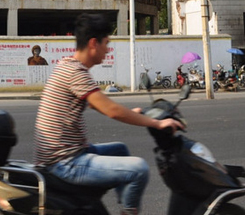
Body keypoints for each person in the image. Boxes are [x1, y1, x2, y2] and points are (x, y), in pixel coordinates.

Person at [34, 14, 184, 215]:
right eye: (107, 43)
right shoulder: (76, 73)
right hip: (64, 162)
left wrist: (133, 113)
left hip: (63, 154)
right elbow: (111, 111)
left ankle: (120, 206)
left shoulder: (67, 65)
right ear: (94, 43)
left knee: (120, 149)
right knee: (139, 169)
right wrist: (156, 124)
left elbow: (100, 105)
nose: (108, 48)